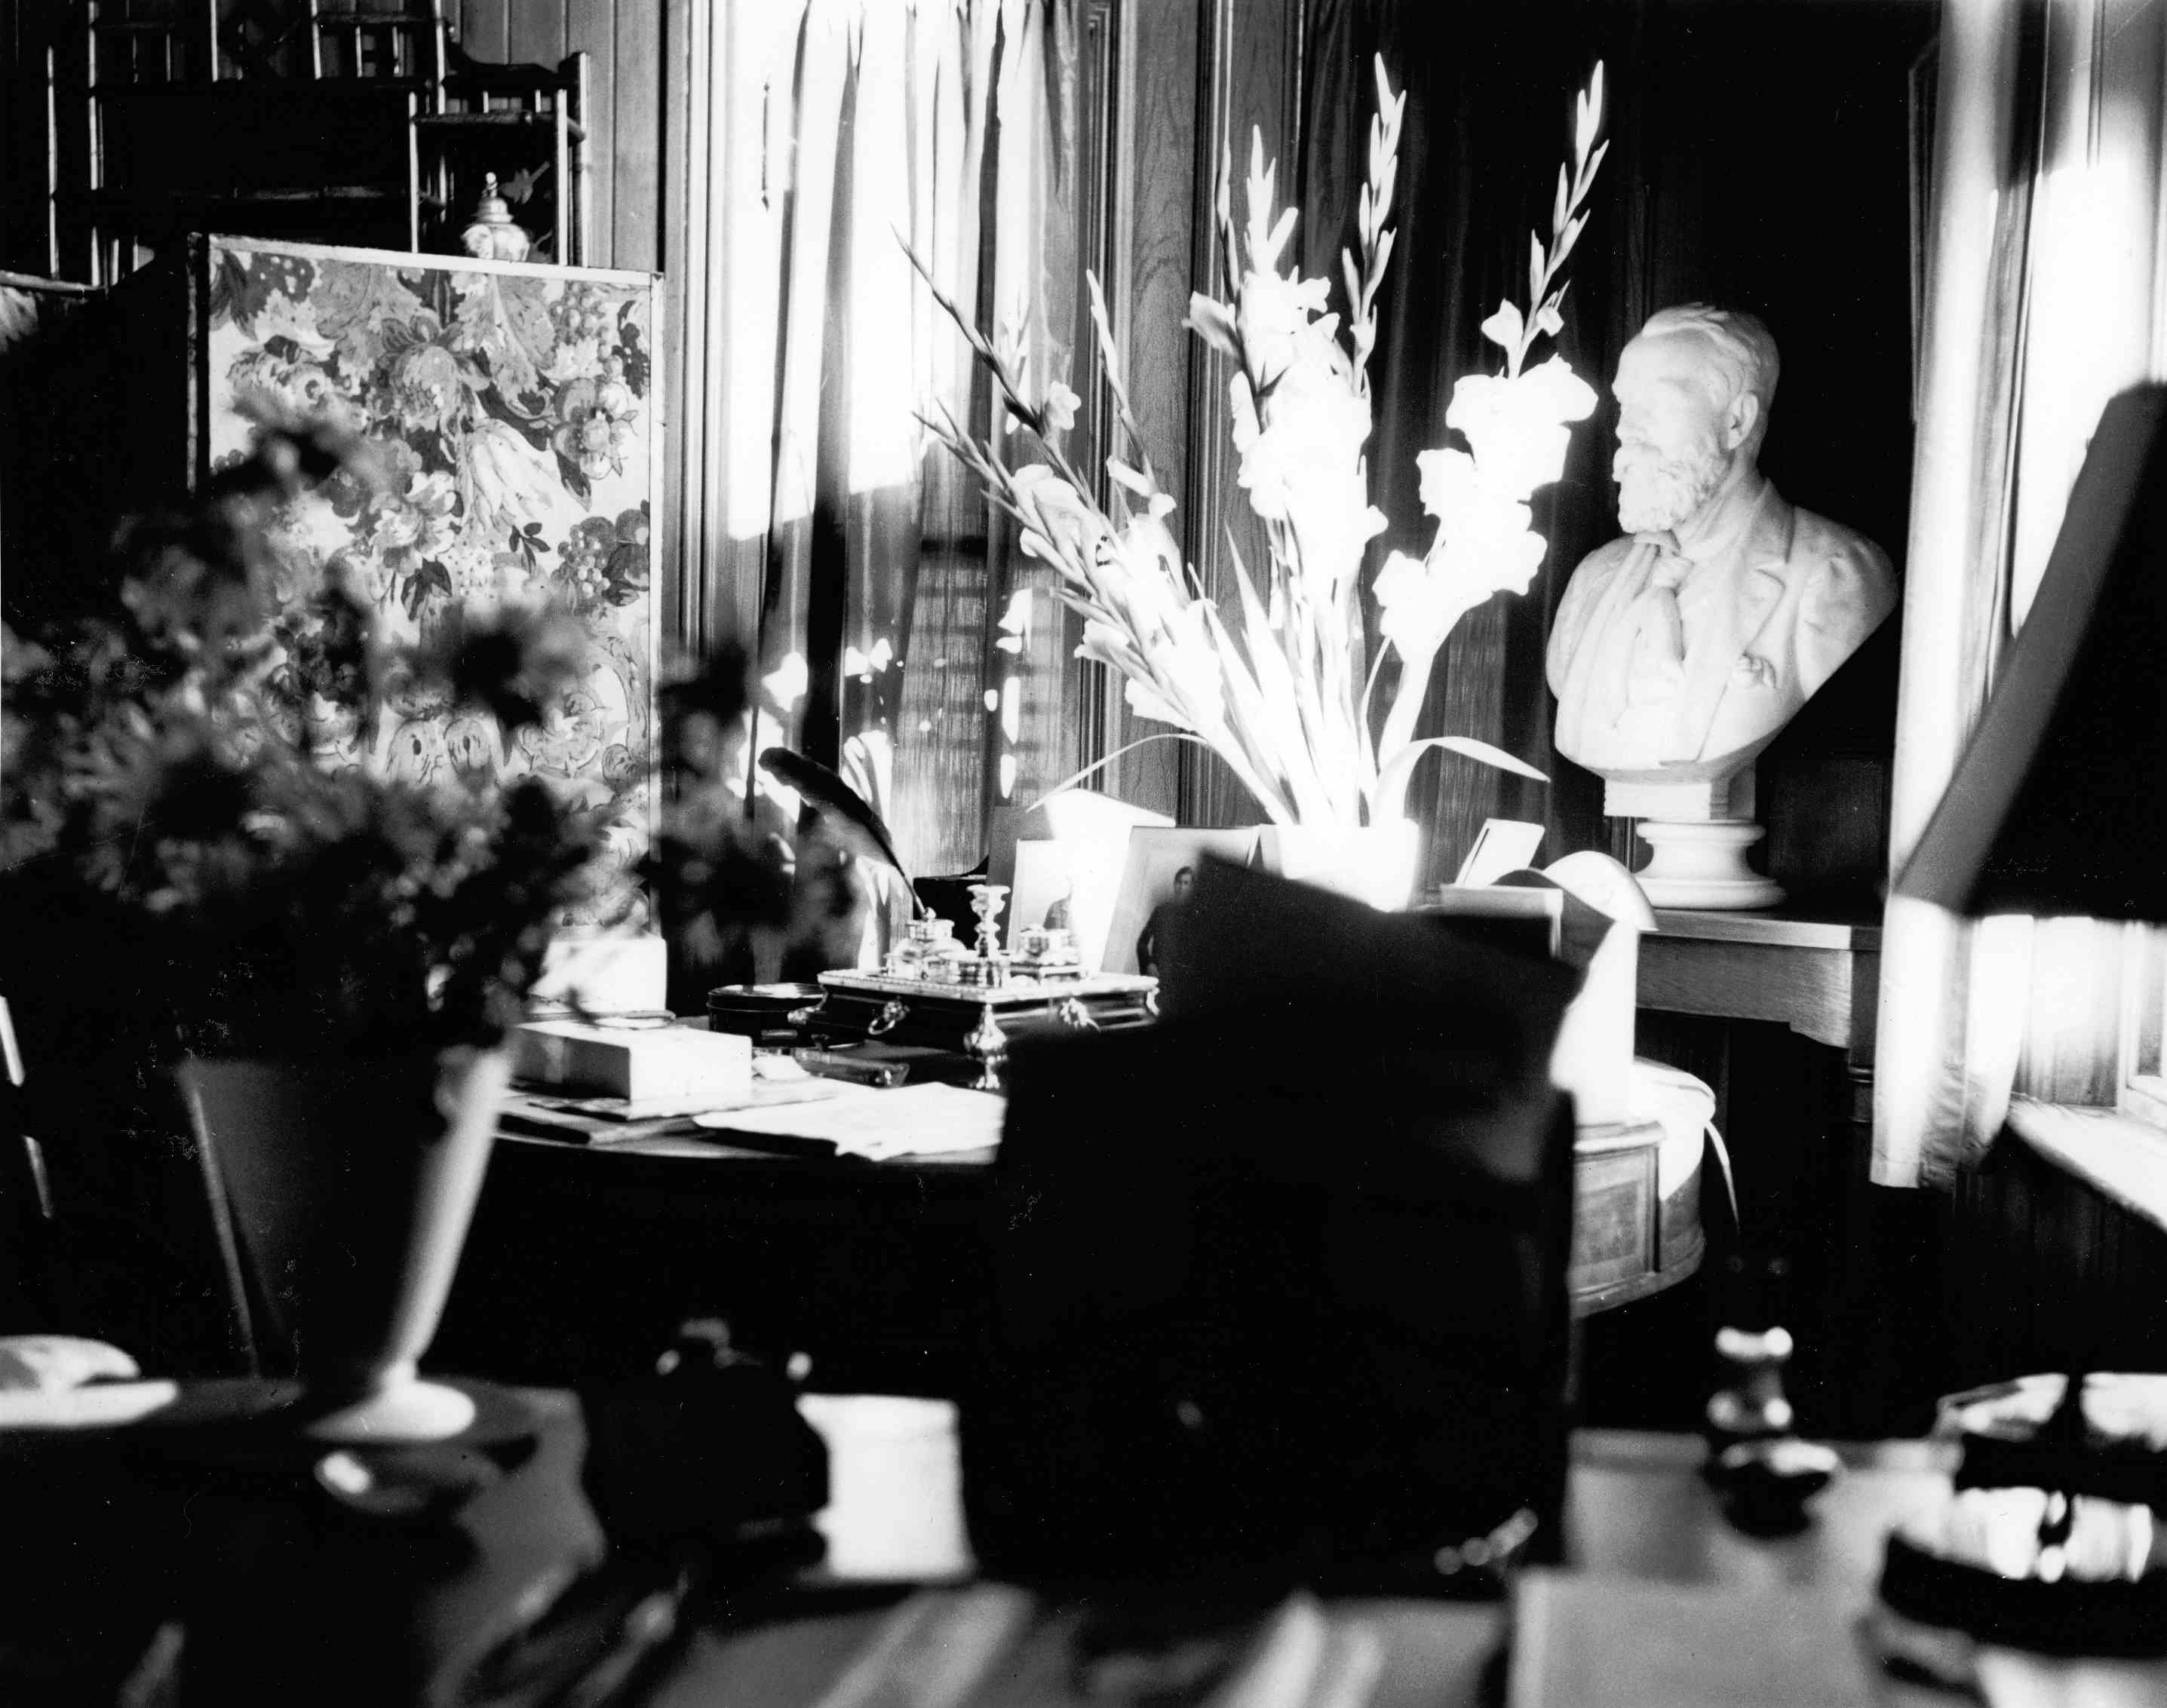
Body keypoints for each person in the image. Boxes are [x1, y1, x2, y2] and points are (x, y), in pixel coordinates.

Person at [1545, 305, 1897, 781]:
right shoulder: (1593, 579)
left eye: (1656, 404)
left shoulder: (1837, 576)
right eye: (1626, 406)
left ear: (1737, 421)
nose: (1626, 430)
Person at [1134, 865, 1193, 976]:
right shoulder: (1161, 911)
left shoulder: (1195, 918)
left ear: (1192, 888)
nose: (1181, 887)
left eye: (1186, 883)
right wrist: (1148, 964)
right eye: (1179, 882)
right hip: (1156, 976)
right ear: (1174, 884)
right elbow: (1142, 943)